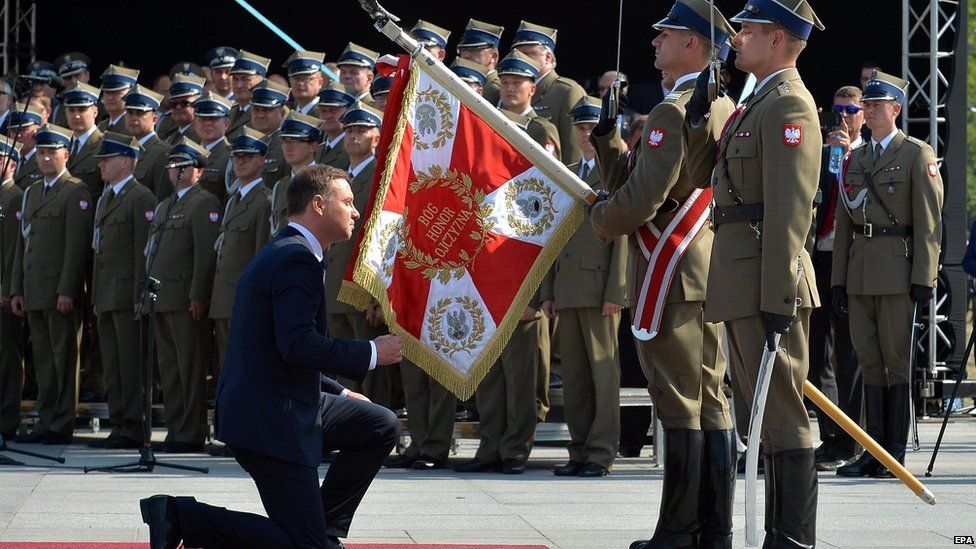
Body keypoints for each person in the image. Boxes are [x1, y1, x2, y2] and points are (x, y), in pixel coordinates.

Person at [139, 164, 404, 549]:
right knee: (303, 548)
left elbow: (283, 349)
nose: (355, 211)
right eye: (346, 201)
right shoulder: (294, 259)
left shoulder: (293, 252)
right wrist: (371, 352)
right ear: (317, 204)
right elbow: (296, 344)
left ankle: (323, 528)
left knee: (379, 424)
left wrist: (343, 395)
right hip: (270, 422)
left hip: (284, 402)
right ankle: (180, 516)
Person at [590, 1, 736, 543]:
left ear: (694, 43)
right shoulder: (718, 104)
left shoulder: (675, 110)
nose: (655, 44)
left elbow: (640, 201)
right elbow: (642, 177)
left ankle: (679, 529)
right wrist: (608, 139)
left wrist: (598, 216)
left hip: (671, 270)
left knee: (678, 402)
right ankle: (710, 529)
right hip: (703, 269)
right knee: (708, 397)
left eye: (666, 35)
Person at [688, 2, 825, 545]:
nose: (736, 38)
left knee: (783, 412)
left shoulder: (789, 104)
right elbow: (708, 180)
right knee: (760, 416)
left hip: (768, 280)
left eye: (747, 30)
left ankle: (792, 537)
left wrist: (778, 296)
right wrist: (702, 117)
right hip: (741, 276)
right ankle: (776, 531)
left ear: (776, 40)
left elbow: (792, 211)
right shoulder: (754, 101)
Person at [832, 71, 944, 478]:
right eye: (868, 105)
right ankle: (872, 448)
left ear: (895, 109)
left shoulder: (916, 154)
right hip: (861, 270)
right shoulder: (856, 158)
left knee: (896, 362)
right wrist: (839, 280)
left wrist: (924, 277)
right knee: (869, 360)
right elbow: (845, 223)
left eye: (878, 105)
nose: (871, 110)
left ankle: (893, 450)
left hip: (898, 270)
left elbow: (930, 223)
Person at [542, 96, 627, 478]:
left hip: (599, 289)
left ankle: (601, 451)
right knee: (575, 376)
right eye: (580, 127)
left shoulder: (617, 171)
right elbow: (552, 237)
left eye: (592, 127)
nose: (586, 133)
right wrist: (547, 290)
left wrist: (617, 290)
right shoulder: (568, 171)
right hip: (568, 287)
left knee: (602, 375)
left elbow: (624, 235)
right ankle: (578, 449)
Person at [10, 124, 93, 445]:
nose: (44, 158)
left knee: (63, 360)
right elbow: (23, 246)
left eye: (51, 152)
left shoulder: (75, 191)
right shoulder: (31, 192)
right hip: (34, 291)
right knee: (43, 362)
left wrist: (67, 290)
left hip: (59, 293)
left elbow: (76, 248)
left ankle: (61, 423)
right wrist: (17, 288)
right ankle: (45, 420)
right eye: (41, 152)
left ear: (66, 155)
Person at [145, 137, 221, 453]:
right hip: (161, 298)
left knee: (189, 368)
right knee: (170, 368)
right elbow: (151, 252)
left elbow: (205, 256)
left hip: (185, 300)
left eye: (183, 165)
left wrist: (198, 295)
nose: (175, 170)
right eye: (172, 165)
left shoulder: (204, 202)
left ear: (199, 171)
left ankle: (191, 432)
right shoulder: (165, 204)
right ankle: (176, 429)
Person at [807, 85, 866, 471]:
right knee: (815, 354)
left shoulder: (866, 155)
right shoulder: (824, 153)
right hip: (820, 259)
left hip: (852, 262)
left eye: (851, 110)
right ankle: (830, 436)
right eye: (837, 109)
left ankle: (852, 440)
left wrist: (845, 155)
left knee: (849, 355)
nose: (843, 117)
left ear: (863, 115)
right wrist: (828, 156)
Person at [87, 132, 155, 450]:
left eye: (108, 159)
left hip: (127, 296)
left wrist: (140, 295)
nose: (101, 164)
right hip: (106, 295)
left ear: (126, 161)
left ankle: (134, 426)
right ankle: (118, 423)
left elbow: (144, 251)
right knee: (113, 365)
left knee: (130, 365)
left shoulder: (140, 198)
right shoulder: (107, 197)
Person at [324, 103, 394, 406]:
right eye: (349, 130)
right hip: (335, 285)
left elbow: (385, 236)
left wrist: (378, 296)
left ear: (376, 138)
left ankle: (376, 430)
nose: (353, 136)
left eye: (361, 130)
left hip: (362, 287)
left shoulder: (382, 177)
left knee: (371, 368)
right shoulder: (337, 178)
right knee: (339, 366)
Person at [210, 128, 272, 380]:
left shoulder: (264, 200)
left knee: (247, 368)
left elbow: (261, 255)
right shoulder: (234, 199)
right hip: (225, 298)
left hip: (245, 300)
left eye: (247, 157)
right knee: (228, 367)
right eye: (236, 157)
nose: (240, 162)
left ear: (262, 160)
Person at [512, 20, 587, 164]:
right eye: (518, 55)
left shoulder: (567, 92)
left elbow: (574, 152)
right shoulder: (512, 89)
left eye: (528, 54)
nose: (522, 61)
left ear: (548, 57)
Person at [0, 136, 24, 439]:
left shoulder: (14, 197)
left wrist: (7, 287)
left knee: (7, 357)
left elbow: (11, 251)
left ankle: (6, 420)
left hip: (3, 291)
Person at [271, 112, 322, 233]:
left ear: (313, 146)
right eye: (285, 141)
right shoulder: (280, 186)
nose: (288, 147)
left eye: (295, 141)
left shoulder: (324, 183)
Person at [124, 85, 170, 198]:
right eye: (130, 112)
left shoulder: (163, 153)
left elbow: (162, 198)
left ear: (155, 119)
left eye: (140, 113)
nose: (134, 118)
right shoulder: (123, 150)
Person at [62, 83, 105, 200]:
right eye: (71, 110)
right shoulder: (61, 145)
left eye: (82, 110)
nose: (76, 116)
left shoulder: (105, 145)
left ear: (95, 112)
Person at [191, 92, 233, 205]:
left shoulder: (232, 157)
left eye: (213, 119)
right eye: (202, 119)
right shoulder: (188, 154)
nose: (207, 124)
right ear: (195, 123)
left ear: (226, 123)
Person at [248, 79, 291, 187]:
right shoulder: (247, 142)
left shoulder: (287, 146)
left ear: (282, 113)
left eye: (267, 110)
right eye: (256, 110)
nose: (260, 115)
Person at [456, 19, 504, 106]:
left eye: (474, 50)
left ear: (493, 56)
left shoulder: (497, 90)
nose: (467, 55)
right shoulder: (459, 79)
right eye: (463, 50)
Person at [227, 51, 272, 140]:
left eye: (245, 79)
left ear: (262, 81)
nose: (239, 85)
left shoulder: (272, 112)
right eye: (235, 79)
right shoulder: (229, 111)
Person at [313, 81, 355, 169]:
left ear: (348, 111)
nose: (328, 116)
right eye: (323, 111)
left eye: (334, 110)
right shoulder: (319, 149)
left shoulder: (352, 148)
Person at [157, 74, 204, 144]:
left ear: (198, 104)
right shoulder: (169, 135)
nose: (178, 107)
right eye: (174, 104)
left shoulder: (203, 136)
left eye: (184, 103)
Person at [8, 104, 46, 189]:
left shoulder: (45, 160)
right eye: (13, 131)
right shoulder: (6, 160)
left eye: (23, 130)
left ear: (37, 130)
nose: (18, 136)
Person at [97, 65, 140, 135]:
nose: (110, 97)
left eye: (116, 92)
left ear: (130, 92)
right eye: (107, 92)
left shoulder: (134, 127)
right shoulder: (101, 126)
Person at [284, 50, 326, 115]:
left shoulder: (326, 113)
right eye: (295, 78)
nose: (300, 83)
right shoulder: (285, 112)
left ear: (320, 83)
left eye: (306, 78)